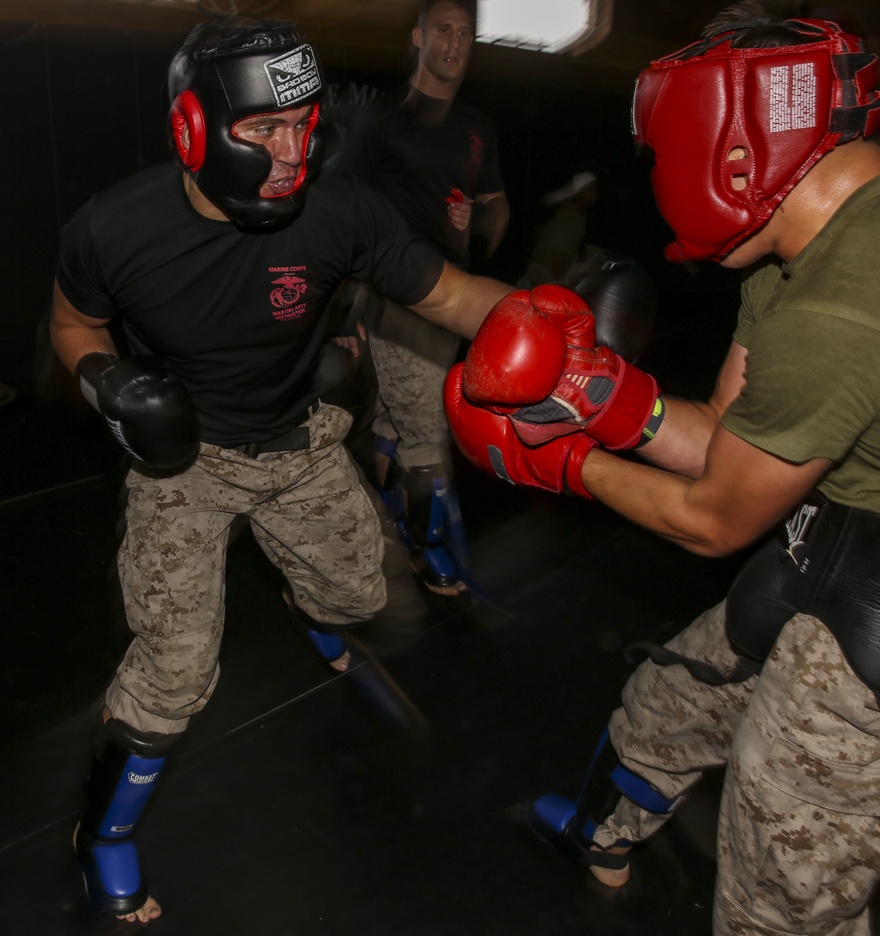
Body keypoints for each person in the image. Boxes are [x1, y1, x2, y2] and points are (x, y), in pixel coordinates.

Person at [443, 3, 880, 934]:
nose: (661, 177)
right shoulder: (801, 248)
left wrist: (565, 463)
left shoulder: (845, 308)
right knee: (671, 698)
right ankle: (604, 835)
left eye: (670, 152)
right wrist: (598, 396)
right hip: (846, 533)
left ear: (738, 155)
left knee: (781, 890)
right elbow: (723, 438)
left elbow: (712, 519)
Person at [49, 18, 511, 924]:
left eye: (303, 124)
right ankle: (101, 834)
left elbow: (455, 295)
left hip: (300, 446)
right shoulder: (114, 228)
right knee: (176, 669)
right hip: (183, 464)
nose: (293, 152)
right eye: (264, 129)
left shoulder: (339, 209)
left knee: (359, 594)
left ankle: (311, 605)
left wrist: (556, 331)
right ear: (193, 129)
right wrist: (107, 380)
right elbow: (73, 323)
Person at [333, 0, 509, 598]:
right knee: (430, 433)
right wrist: (343, 306)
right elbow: (341, 210)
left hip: (453, 298)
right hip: (398, 300)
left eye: (465, 33)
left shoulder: (478, 127)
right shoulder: (384, 119)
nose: (454, 43)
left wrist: (477, 220)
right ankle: (434, 556)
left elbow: (499, 208)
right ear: (418, 37)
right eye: (443, 30)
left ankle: (390, 521)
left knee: (396, 419)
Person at [522, 171, 599, 287]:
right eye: (589, 189)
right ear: (578, 193)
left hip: (552, 262)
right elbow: (558, 259)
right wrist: (563, 287)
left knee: (592, 255)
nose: (594, 192)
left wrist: (581, 249)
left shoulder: (579, 210)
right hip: (545, 271)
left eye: (595, 187)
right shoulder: (569, 219)